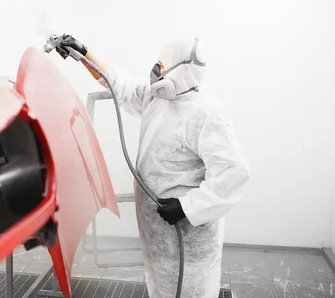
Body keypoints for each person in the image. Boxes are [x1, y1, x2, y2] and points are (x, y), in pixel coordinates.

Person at [54, 35, 251, 298]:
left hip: (189, 242)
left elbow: (233, 174)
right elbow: (119, 85)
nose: (156, 71)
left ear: (179, 70)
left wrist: (187, 207)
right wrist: (85, 55)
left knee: (190, 292)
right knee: (161, 288)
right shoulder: (158, 98)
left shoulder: (206, 113)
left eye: (161, 64)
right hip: (158, 236)